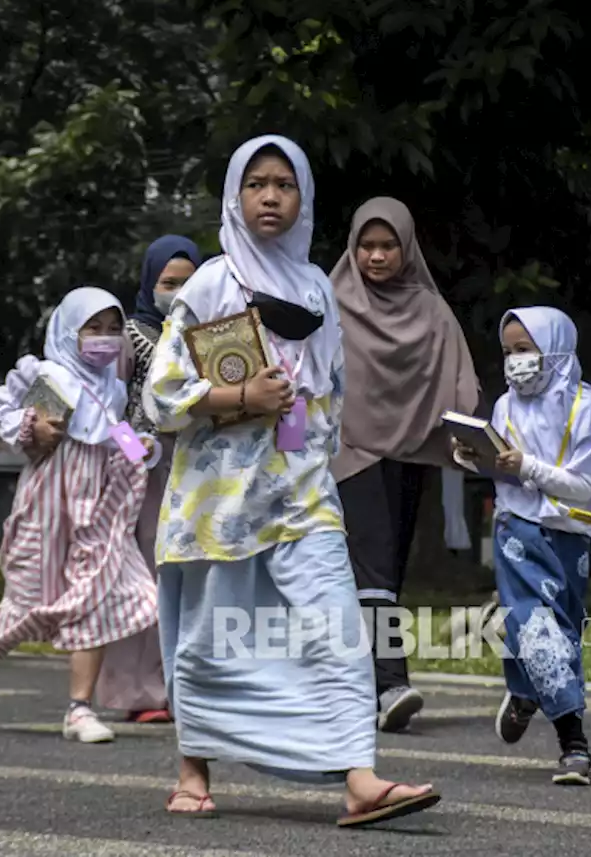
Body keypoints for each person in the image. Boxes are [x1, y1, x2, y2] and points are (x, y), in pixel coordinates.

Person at [144, 135, 440, 826]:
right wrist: (242, 400)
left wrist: (304, 439)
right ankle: (193, 766)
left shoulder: (315, 288)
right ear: (235, 197)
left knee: (336, 624)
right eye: (257, 184)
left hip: (303, 491)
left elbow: (328, 392)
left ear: (303, 198)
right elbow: (161, 397)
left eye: (285, 184)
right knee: (209, 636)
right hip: (219, 499)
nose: (271, 196)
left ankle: (359, 777)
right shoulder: (213, 284)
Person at [0, 286, 158, 743]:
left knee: (100, 589)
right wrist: (31, 426)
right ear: (71, 331)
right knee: (34, 591)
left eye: (114, 330)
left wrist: (139, 447)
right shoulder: (50, 377)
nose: (105, 339)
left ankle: (79, 708)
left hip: (98, 497)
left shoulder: (111, 386)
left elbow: (112, 432)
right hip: (50, 494)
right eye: (94, 329)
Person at [452, 306, 591, 786]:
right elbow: (501, 467)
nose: (515, 361)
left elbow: (585, 487)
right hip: (516, 531)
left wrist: (525, 466)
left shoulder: (588, 410)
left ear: (554, 350)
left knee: (561, 633)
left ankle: (526, 691)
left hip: (569, 535)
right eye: (508, 352)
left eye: (524, 350)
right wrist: (474, 457)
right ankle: (575, 743)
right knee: (535, 625)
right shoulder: (505, 407)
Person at [328, 196, 482, 732]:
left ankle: (360, 685)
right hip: (348, 451)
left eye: (387, 245)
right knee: (371, 562)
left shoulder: (430, 310)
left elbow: (459, 377)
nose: (375, 256)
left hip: (411, 449)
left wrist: (464, 431)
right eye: (366, 245)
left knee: (386, 570)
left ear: (406, 246)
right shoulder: (331, 300)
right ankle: (391, 681)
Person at [94, 235, 201, 725]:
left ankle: (183, 690)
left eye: (189, 282)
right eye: (169, 283)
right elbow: (104, 406)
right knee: (143, 579)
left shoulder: (207, 335)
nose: (179, 292)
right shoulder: (130, 338)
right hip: (141, 477)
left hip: (196, 471)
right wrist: (138, 451)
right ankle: (136, 690)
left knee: (188, 579)